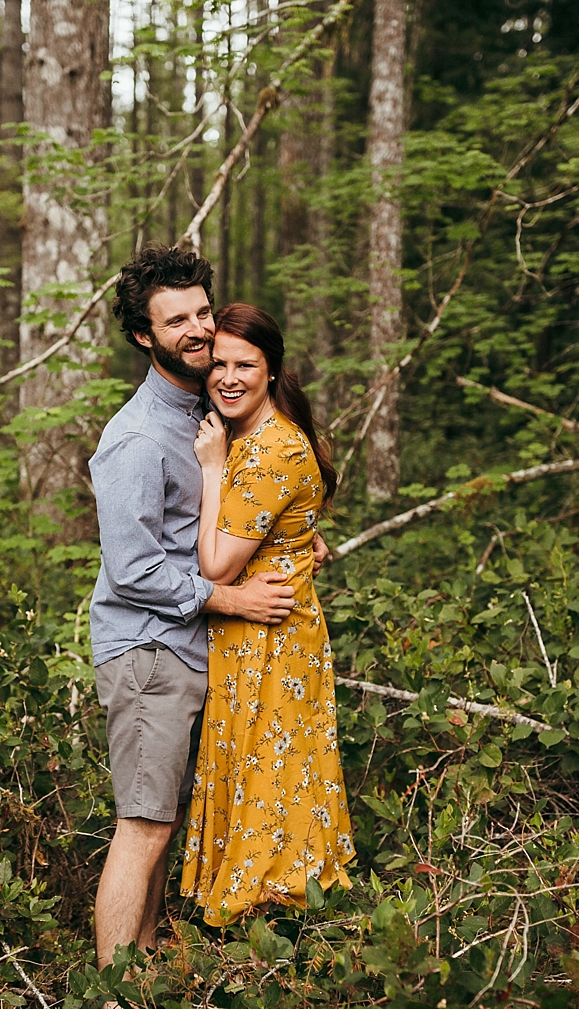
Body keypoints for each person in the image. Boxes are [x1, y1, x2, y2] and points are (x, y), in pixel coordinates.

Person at [88, 246, 328, 967]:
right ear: (143, 335)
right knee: (143, 825)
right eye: (176, 320)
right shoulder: (133, 439)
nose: (197, 330)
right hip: (148, 652)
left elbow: (235, 510)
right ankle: (112, 985)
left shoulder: (207, 406)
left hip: (194, 648)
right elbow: (132, 570)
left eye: (201, 311)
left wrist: (292, 544)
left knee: (164, 819)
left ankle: (150, 963)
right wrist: (231, 595)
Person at [181, 303, 354, 926]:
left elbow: (216, 567)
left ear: (271, 369)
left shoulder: (266, 449)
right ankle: (273, 921)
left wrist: (211, 471)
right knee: (266, 766)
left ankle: (273, 922)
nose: (228, 377)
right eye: (218, 364)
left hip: (269, 637)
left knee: (271, 771)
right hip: (261, 630)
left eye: (245, 365)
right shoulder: (258, 436)